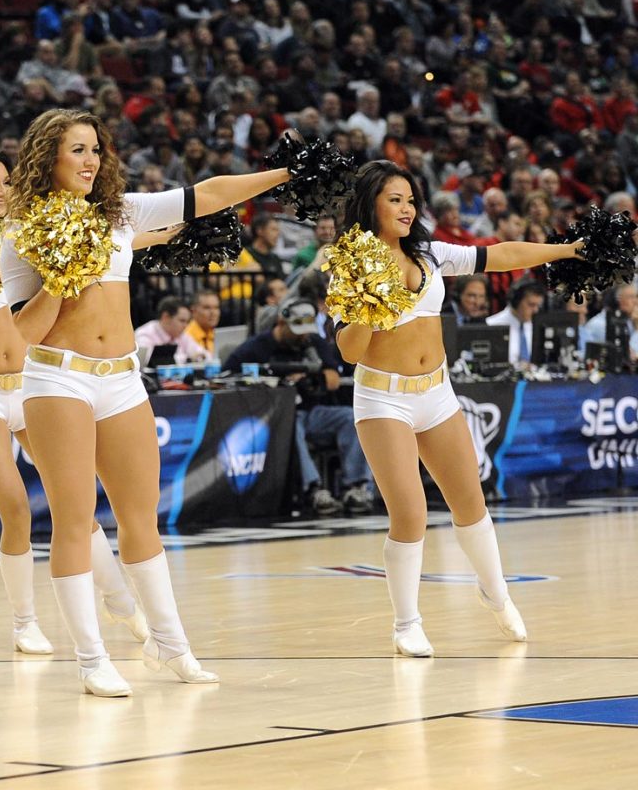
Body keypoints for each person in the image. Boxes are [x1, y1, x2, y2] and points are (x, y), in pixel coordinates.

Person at [0, 109, 293, 697]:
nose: (90, 161)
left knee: (141, 516)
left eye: (95, 150)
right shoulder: (21, 231)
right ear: (47, 158)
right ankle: (90, 658)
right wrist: (61, 279)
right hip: (60, 379)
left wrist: (283, 176)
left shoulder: (119, 214)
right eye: (77, 150)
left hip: (122, 379)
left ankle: (170, 642)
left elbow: (203, 195)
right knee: (75, 518)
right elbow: (20, 334)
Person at [334, 161, 583, 658]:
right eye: (395, 200)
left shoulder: (429, 255)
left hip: (438, 392)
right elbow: (348, 351)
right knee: (410, 515)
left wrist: (568, 248)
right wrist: (370, 300)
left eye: (410, 200)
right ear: (370, 205)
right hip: (384, 398)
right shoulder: (352, 263)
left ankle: (496, 592)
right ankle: (406, 623)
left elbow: (502, 254)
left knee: (471, 504)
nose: (407, 209)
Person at [0, 147, 147, 655]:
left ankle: (119, 601)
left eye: (7, 182)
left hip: (31, 386)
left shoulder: (31, 236)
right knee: (17, 508)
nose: (3, 192)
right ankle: (24, 622)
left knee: (76, 506)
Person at [225, 300, 374, 516]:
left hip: (313, 411)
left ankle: (357, 486)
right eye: (296, 331)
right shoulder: (256, 347)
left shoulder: (314, 342)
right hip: (278, 415)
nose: (302, 336)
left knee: (350, 418)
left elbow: (332, 379)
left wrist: (307, 377)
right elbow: (228, 376)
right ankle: (313, 489)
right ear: (281, 322)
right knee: (291, 425)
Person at [485, 278, 546, 366]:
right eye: (531, 305)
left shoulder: (538, 327)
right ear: (516, 301)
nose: (536, 310)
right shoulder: (491, 325)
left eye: (538, 306)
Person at [133, 296, 210, 364]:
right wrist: (188, 358)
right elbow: (147, 361)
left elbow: (205, 355)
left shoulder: (181, 335)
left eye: (187, 322)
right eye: (182, 321)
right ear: (165, 317)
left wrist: (200, 356)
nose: (185, 326)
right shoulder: (144, 334)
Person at [185, 288, 221, 355]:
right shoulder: (186, 339)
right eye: (207, 308)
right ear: (193, 311)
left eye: (216, 307)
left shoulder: (219, 336)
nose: (213, 313)